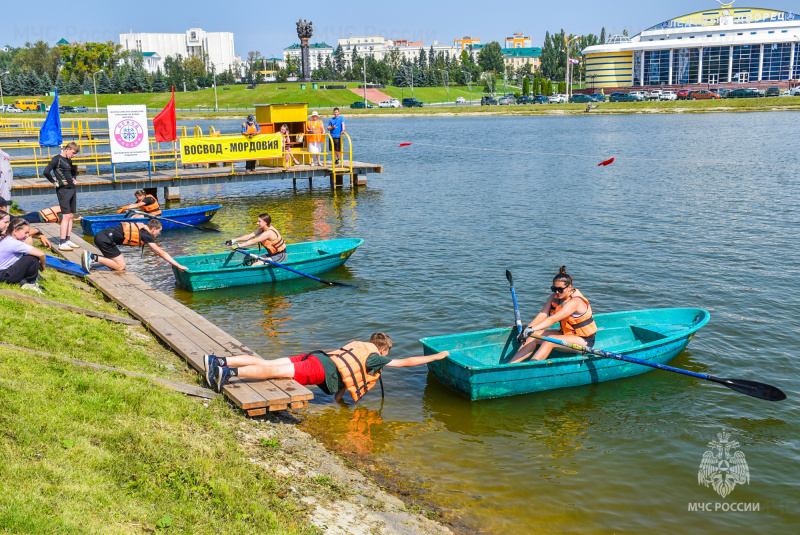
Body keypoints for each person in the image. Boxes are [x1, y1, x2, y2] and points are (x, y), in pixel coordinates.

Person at [203, 332, 450, 402]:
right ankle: (227, 373)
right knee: (272, 372)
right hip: (318, 369)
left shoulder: (359, 346)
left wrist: (339, 400)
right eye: (387, 354)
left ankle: (218, 360)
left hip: (317, 358)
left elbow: (346, 375)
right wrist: (436, 357)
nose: (386, 358)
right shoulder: (375, 357)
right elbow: (406, 362)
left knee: (269, 363)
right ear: (383, 350)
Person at [509, 266, 598, 363]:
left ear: (569, 287)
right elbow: (542, 315)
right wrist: (526, 331)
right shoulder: (554, 297)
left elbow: (553, 319)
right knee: (532, 336)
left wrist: (532, 329)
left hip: (583, 339)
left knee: (549, 341)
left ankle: (532, 367)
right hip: (565, 333)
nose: (557, 292)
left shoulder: (575, 302)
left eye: (560, 289)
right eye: (554, 289)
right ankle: (510, 365)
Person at [79, 219, 188, 273]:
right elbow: (161, 252)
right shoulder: (147, 235)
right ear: (153, 229)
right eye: (158, 232)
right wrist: (178, 265)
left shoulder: (143, 229)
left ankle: (92, 258)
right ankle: (92, 257)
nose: (158, 234)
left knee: (115, 264)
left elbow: (156, 252)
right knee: (121, 266)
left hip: (102, 236)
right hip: (105, 240)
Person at [43, 141, 80, 251]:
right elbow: (46, 172)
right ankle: (62, 242)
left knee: (72, 214)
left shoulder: (69, 160)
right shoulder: (57, 159)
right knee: (66, 216)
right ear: (67, 149)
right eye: (73, 153)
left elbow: (73, 170)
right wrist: (54, 182)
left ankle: (68, 239)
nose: (73, 156)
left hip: (72, 188)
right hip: (63, 190)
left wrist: (74, 178)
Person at [0, 217, 47, 293]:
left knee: (29, 255)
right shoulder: (15, 243)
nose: (27, 235)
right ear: (15, 231)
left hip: (2, 273)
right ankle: (30, 284)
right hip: (3, 276)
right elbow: (41, 254)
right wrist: (43, 264)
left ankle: (24, 280)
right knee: (32, 258)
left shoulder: (7, 239)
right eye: (26, 233)